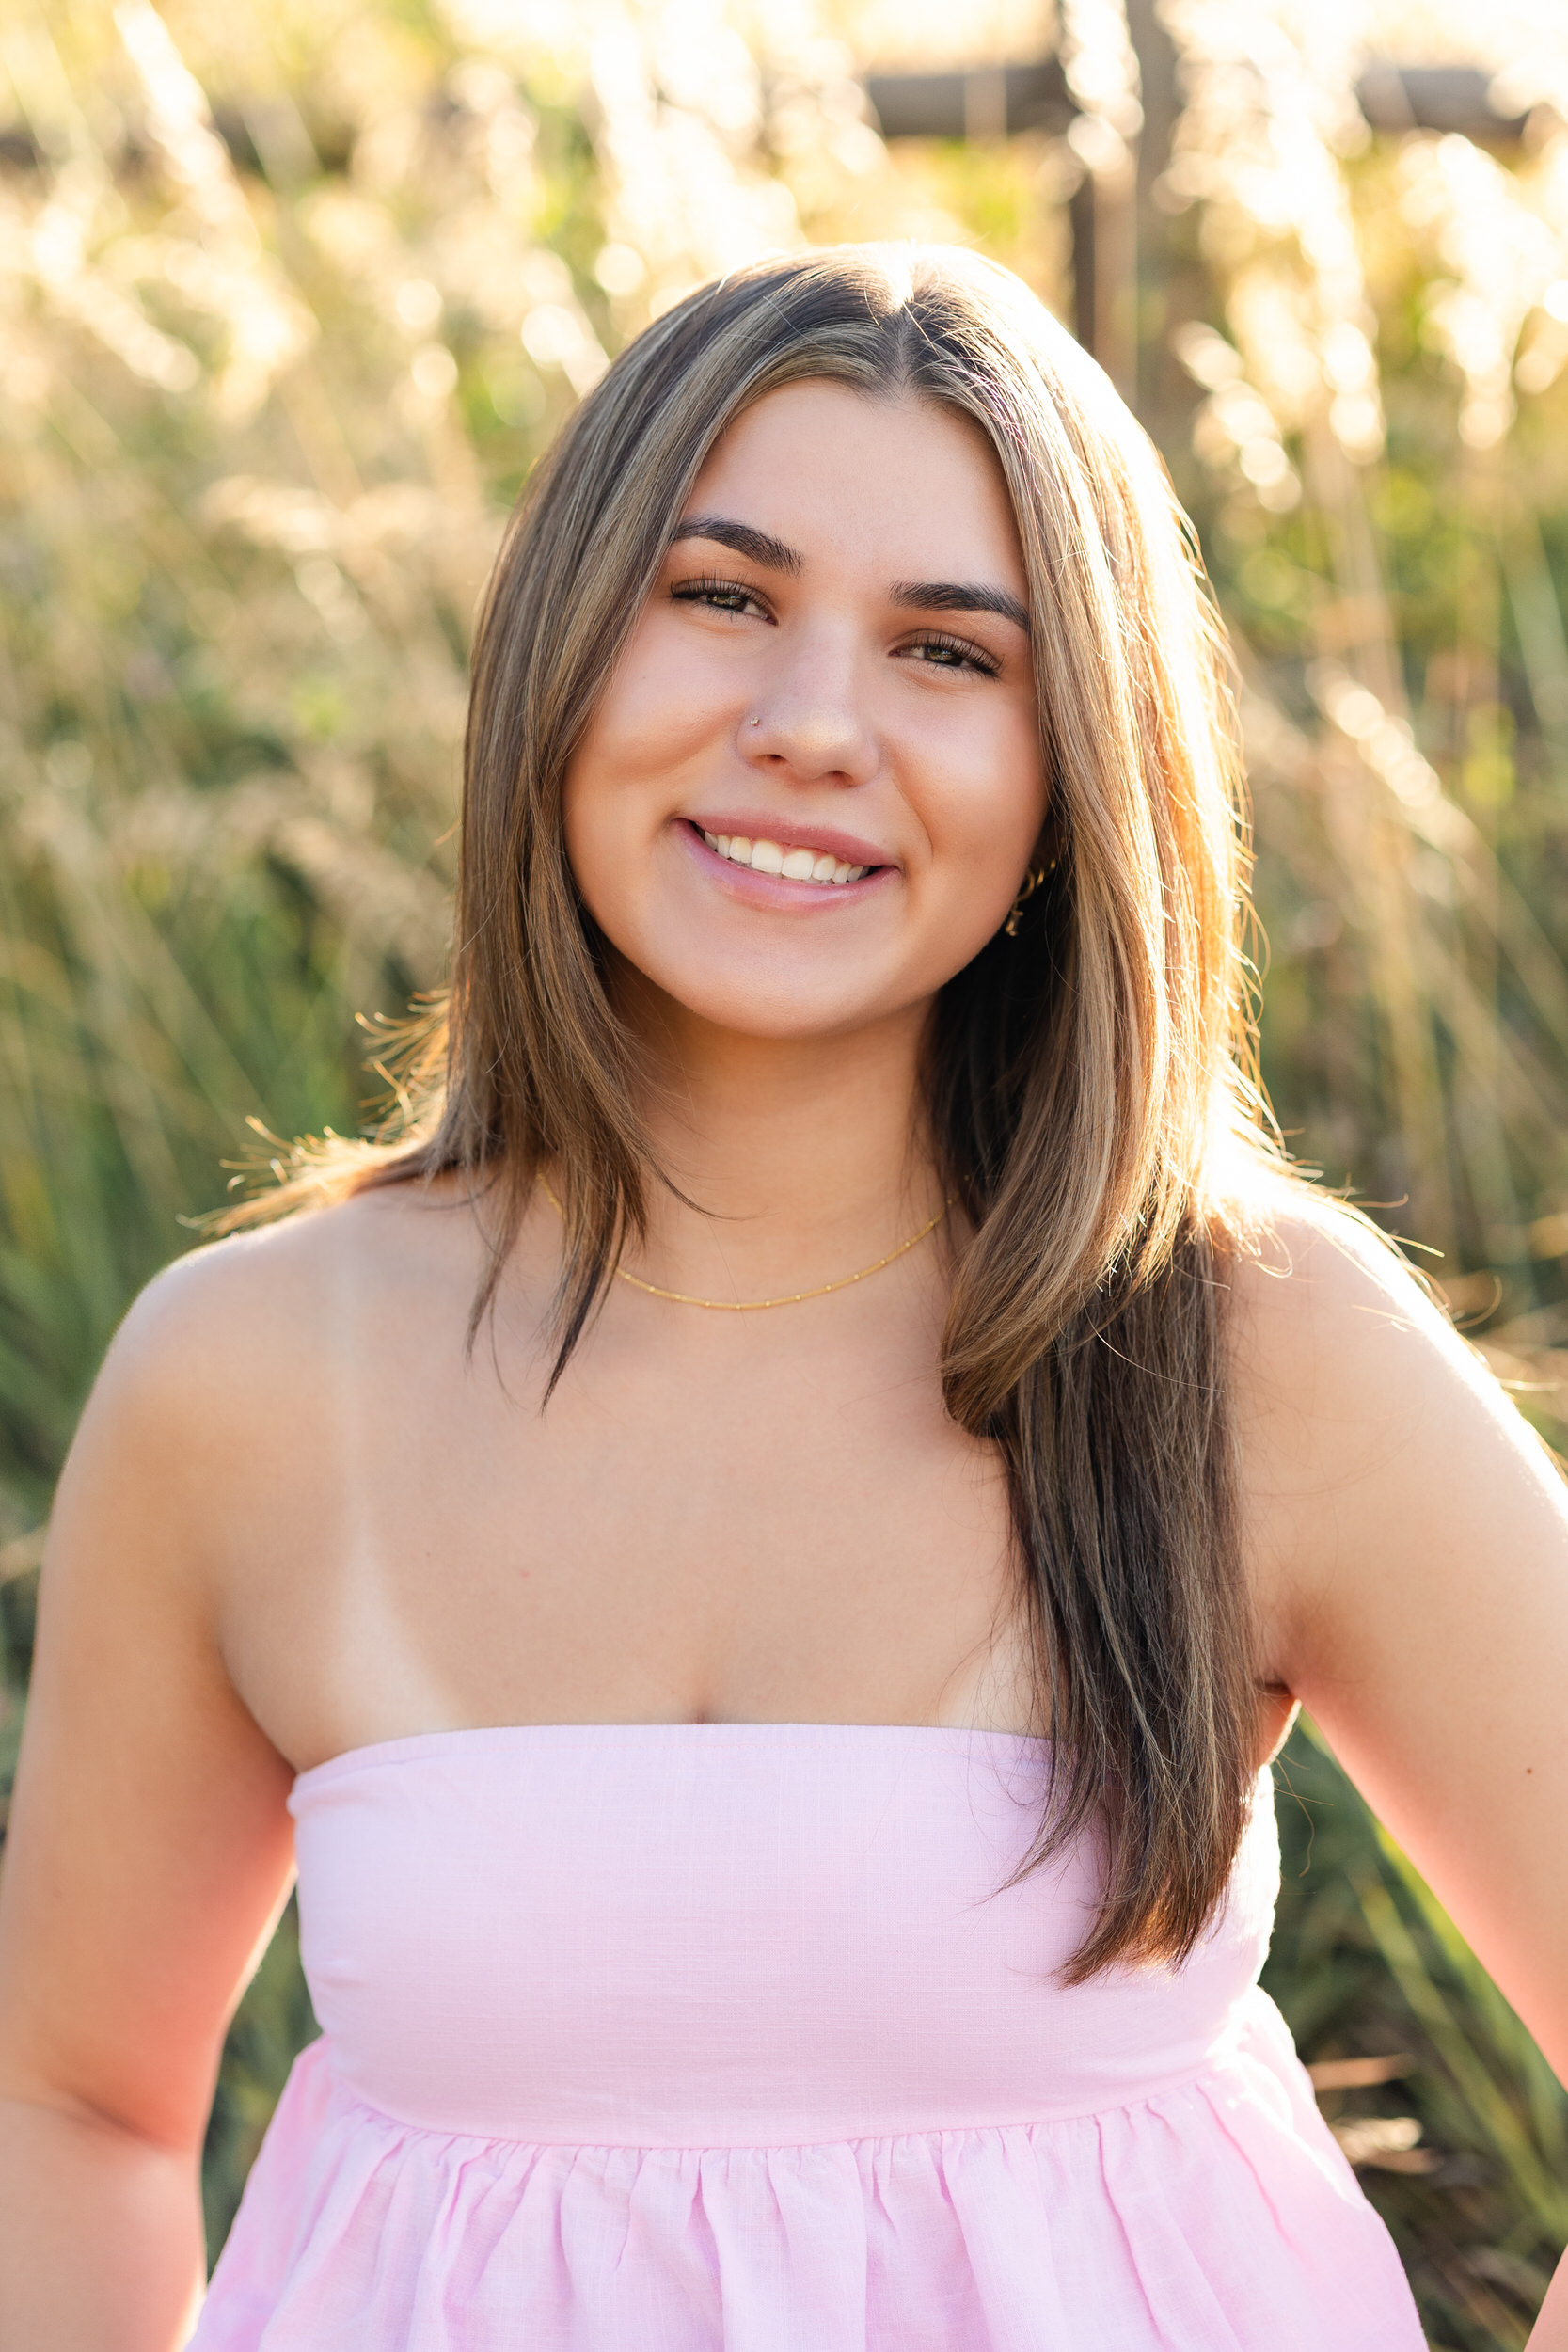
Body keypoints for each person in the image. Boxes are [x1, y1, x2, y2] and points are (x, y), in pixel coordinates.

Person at [0, 242, 1564, 2352]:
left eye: (948, 651)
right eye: (720, 594)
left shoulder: (1254, 1347)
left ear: (1069, 773)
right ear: (560, 650)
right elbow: (70, 2100)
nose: (809, 723)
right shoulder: (252, 1375)